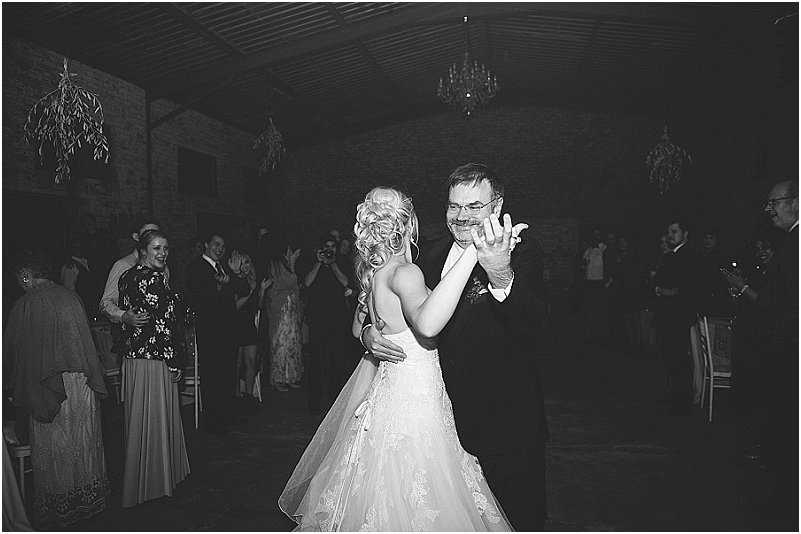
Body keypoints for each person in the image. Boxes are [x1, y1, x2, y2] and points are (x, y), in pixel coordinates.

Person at [280, 186, 525, 531]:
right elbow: (427, 324)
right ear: (410, 226)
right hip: (416, 402)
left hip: (391, 396)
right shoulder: (406, 273)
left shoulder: (375, 274)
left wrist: (368, 332)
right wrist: (475, 250)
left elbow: (358, 327)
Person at [362, 164, 550, 530]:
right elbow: (386, 307)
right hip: (432, 424)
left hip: (504, 425)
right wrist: (369, 332)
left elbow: (535, 326)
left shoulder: (520, 250)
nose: (461, 216)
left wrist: (499, 272)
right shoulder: (426, 255)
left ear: (497, 206)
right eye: (454, 206)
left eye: (474, 206)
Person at [5, 248, 109, 529]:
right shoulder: (70, 297)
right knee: (83, 443)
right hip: (80, 385)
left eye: (18, 279)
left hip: (45, 387)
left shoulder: (24, 306)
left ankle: (61, 505)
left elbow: (13, 356)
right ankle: (87, 500)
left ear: (25, 275)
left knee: (55, 448)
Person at [721, 180, 798, 530]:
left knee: (783, 431)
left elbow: (783, 305)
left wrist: (744, 289)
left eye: (774, 203)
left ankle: (786, 509)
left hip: (788, 352)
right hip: (784, 348)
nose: (768, 210)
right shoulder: (790, 243)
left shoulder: (794, 246)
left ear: (796, 202)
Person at [118, 229, 190, 507]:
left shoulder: (127, 277)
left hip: (133, 360)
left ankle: (141, 482)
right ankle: (156, 482)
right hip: (155, 358)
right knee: (155, 419)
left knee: (139, 420)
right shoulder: (155, 278)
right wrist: (174, 361)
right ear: (143, 251)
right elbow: (165, 325)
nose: (162, 253)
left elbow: (129, 317)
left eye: (165, 248)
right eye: (157, 248)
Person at [184, 233, 240, 435]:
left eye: (223, 246)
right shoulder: (195, 268)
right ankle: (212, 419)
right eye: (216, 244)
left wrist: (234, 273)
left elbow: (236, 294)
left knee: (227, 372)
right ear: (206, 244)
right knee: (211, 373)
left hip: (227, 329)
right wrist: (217, 287)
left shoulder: (223, 267)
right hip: (209, 329)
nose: (220, 249)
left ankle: (227, 413)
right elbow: (197, 298)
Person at [653, 220, 700, 416]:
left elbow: (683, 288)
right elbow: (659, 282)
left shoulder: (688, 255)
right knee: (671, 358)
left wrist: (665, 290)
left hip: (678, 316)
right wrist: (661, 290)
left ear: (685, 234)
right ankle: (675, 396)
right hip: (668, 315)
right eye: (669, 232)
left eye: (674, 231)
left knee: (679, 359)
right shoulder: (671, 255)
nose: (670, 235)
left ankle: (682, 402)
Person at [99, 219, 167, 347]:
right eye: (148, 233)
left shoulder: (164, 267)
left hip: (161, 340)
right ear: (136, 237)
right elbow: (105, 302)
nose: (153, 237)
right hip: (135, 341)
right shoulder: (124, 265)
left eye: (156, 233)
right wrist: (123, 316)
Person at [303, 233, 351, 413]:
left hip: (336, 318)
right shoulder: (313, 262)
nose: (330, 250)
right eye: (327, 247)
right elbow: (307, 282)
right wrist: (319, 263)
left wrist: (333, 264)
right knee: (316, 361)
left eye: (333, 247)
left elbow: (346, 282)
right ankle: (314, 403)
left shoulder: (341, 263)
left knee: (336, 361)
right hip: (317, 319)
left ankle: (334, 401)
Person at [265, 247, 303, 392]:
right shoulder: (275, 265)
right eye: (291, 252)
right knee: (280, 344)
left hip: (291, 311)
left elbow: (296, 288)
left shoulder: (286, 266)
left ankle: (291, 377)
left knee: (292, 344)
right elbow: (289, 282)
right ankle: (278, 379)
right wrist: (292, 263)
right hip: (280, 311)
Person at [230, 250, 264, 411]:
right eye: (242, 262)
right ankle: (236, 396)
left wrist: (261, 292)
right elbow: (234, 306)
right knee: (236, 364)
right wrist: (250, 292)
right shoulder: (235, 281)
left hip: (249, 324)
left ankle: (248, 395)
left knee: (251, 361)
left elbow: (259, 306)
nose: (245, 266)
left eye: (247, 262)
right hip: (236, 324)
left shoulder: (254, 281)